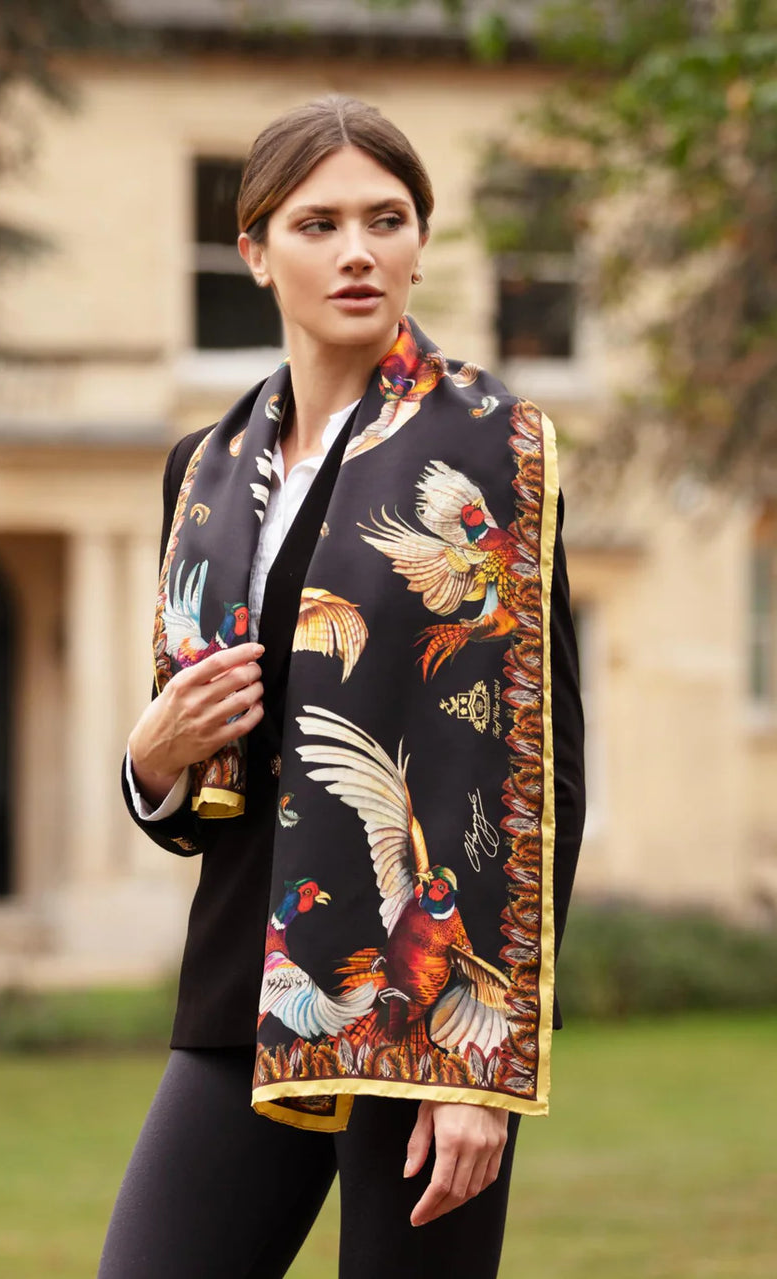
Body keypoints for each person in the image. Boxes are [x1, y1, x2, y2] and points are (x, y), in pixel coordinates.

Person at [98, 96, 585, 1279]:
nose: (357, 250)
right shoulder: (204, 470)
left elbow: (538, 773)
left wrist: (482, 1065)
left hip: (432, 1012)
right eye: (317, 223)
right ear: (255, 252)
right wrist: (151, 760)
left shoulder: (493, 451)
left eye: (387, 218)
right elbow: (201, 779)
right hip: (237, 993)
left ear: (422, 241)